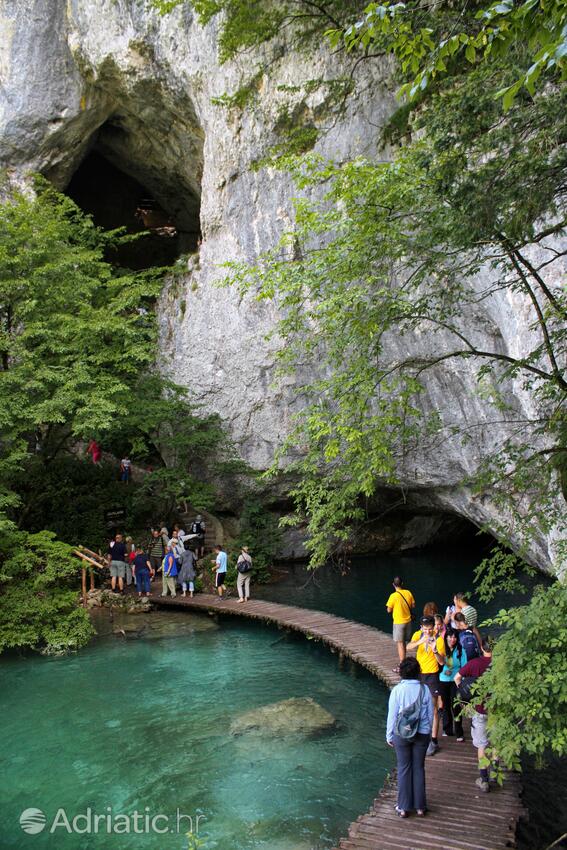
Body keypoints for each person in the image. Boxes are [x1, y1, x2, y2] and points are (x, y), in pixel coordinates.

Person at [386, 656, 433, 818]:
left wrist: (389, 735)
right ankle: (420, 807)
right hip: (422, 733)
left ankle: (404, 807)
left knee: (404, 768)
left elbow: (392, 715)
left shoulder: (397, 690)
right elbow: (429, 715)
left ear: (402, 673)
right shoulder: (425, 689)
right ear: (418, 672)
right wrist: (428, 733)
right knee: (418, 768)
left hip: (401, 733)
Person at [455, 637, 493, 792]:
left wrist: (464, 694)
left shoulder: (474, 663)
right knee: (496, 743)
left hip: (480, 709)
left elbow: (457, 677)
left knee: (482, 744)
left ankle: (484, 779)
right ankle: (496, 774)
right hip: (498, 710)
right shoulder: (500, 665)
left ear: (482, 648)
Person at [407, 616, 445, 756]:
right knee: (417, 705)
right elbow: (408, 646)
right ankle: (418, 735)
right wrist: (421, 641)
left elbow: (442, 662)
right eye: (425, 629)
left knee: (433, 708)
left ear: (433, 627)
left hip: (432, 675)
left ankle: (433, 740)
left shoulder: (439, 640)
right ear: (421, 627)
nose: (428, 631)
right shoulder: (418, 635)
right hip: (419, 674)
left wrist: (434, 650)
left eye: (430, 629)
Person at [438, 628, 466, 741]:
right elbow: (439, 663)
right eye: (450, 637)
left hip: (456, 680)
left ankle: (459, 732)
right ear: (446, 637)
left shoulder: (460, 650)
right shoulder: (442, 649)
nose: (452, 639)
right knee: (445, 705)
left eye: (454, 637)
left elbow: (464, 666)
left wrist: (461, 678)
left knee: (456, 706)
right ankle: (447, 729)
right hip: (443, 680)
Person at [386, 577, 415, 672]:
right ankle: (404, 662)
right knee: (404, 642)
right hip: (408, 621)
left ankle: (402, 665)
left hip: (399, 622)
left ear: (393, 584)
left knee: (400, 644)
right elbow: (413, 605)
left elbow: (389, 610)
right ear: (402, 583)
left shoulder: (393, 596)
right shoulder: (408, 592)